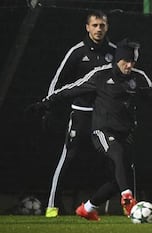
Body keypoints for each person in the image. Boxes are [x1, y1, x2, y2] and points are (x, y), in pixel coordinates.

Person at [29, 38, 152, 221]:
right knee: (117, 154)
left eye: (132, 61)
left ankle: (87, 208)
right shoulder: (100, 75)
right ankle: (128, 198)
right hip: (103, 131)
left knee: (118, 177)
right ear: (117, 59)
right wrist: (45, 104)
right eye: (126, 61)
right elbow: (71, 89)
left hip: (126, 133)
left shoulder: (139, 77)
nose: (129, 65)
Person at [44, 10, 116, 218]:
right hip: (81, 114)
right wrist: (49, 106)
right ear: (87, 27)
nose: (98, 29)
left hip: (105, 116)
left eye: (102, 25)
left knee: (114, 160)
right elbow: (58, 82)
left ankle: (121, 205)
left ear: (107, 27)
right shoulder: (77, 52)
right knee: (69, 157)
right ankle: (52, 206)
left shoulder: (114, 52)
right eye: (95, 25)